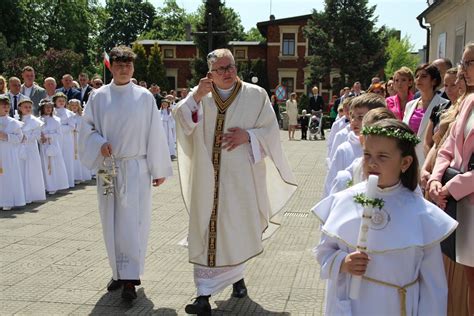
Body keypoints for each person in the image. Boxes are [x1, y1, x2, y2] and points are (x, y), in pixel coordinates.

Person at [173, 48, 297, 314]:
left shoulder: (256, 95)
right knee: (206, 228)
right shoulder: (201, 96)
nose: (227, 73)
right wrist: (196, 96)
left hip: (241, 178)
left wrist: (249, 137)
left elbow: (271, 131)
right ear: (210, 74)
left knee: (236, 229)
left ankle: (237, 280)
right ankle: (203, 295)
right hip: (206, 177)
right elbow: (180, 119)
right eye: (221, 69)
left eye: (230, 67)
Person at [313, 118, 457, 315]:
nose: (372, 162)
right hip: (354, 305)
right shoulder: (345, 201)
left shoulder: (420, 212)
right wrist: (343, 262)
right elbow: (323, 251)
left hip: (399, 306)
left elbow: (434, 284)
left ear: (405, 162)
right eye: (367, 154)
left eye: (382, 156)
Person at [78, 45, 173, 301]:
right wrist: (99, 144)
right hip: (108, 167)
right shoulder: (98, 97)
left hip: (136, 168)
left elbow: (155, 132)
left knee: (133, 221)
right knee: (109, 219)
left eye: (128, 65)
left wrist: (158, 168)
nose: (123, 69)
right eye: (119, 65)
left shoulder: (143, 97)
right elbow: (86, 128)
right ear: (112, 68)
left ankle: (131, 277)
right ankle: (117, 271)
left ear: (133, 67)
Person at [428, 42, 474, 316]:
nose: (464, 68)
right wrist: (435, 179)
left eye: (469, 62)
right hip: (463, 207)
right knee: (470, 280)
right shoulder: (468, 100)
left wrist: (452, 185)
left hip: (463, 195)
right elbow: (446, 147)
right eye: (464, 62)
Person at [323, 94, 386, 198]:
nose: (353, 121)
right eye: (352, 116)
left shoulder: (388, 149)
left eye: (360, 117)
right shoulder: (344, 149)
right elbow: (331, 182)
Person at [403, 63, 447, 167]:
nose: (418, 79)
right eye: (417, 76)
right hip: (409, 158)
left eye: (424, 76)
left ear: (434, 81)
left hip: (430, 160)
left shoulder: (444, 105)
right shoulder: (410, 105)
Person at [18, 97, 46, 204]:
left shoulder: (35, 121)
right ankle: (23, 193)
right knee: (22, 168)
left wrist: (26, 137)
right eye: (25, 107)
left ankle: (33, 193)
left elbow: (37, 135)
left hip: (31, 147)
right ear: (20, 108)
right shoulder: (18, 119)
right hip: (20, 147)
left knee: (31, 169)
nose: (28, 109)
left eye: (29, 107)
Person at [38, 99, 69, 195]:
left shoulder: (56, 120)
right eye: (46, 107)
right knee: (44, 164)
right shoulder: (39, 120)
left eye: (50, 107)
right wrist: (41, 137)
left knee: (54, 165)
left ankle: (55, 185)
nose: (48, 109)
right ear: (42, 108)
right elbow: (37, 132)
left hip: (53, 145)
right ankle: (47, 186)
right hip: (43, 146)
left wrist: (47, 135)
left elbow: (59, 134)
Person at [0, 95, 25, 211]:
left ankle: (7, 200)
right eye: (2, 105)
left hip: (8, 153)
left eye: (7, 105)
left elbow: (19, 138)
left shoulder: (14, 123)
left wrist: (6, 136)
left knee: (8, 176)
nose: (5, 107)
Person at [53, 92, 76, 188]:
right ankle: (57, 181)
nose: (61, 102)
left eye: (63, 101)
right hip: (55, 138)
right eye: (59, 101)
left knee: (67, 158)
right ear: (55, 102)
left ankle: (69, 180)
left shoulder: (69, 113)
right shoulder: (52, 111)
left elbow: (72, 126)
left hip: (66, 138)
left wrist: (59, 128)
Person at [67, 99, 91, 184]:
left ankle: (81, 175)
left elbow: (83, 126)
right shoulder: (68, 115)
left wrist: (77, 128)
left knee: (79, 155)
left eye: (76, 105)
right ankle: (73, 175)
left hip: (78, 137)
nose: (74, 107)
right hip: (70, 137)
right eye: (72, 105)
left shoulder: (81, 116)